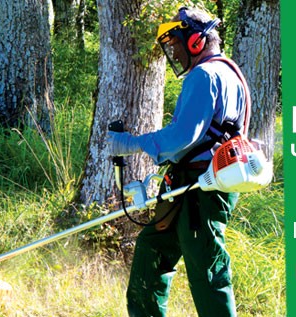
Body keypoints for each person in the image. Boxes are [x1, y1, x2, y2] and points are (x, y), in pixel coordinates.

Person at [105, 7, 251, 317]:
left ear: (196, 41)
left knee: (207, 271)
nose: (174, 51)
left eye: (176, 43)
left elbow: (182, 137)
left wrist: (130, 143)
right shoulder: (228, 72)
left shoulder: (205, 75)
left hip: (202, 187)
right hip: (189, 184)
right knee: (152, 251)